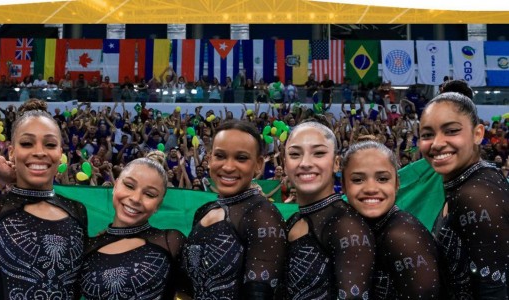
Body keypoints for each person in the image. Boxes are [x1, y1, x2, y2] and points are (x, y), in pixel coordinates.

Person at [0, 99, 87, 299]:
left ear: (60, 153)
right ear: (12, 151)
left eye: (50, 144)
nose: (39, 152)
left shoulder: (77, 211)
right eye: (27, 143)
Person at [418, 92, 509, 298]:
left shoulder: (475, 195)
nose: (437, 143)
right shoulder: (471, 181)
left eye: (451, 131)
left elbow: (495, 290)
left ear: (478, 134)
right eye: (427, 134)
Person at [182, 120, 287, 298]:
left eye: (241, 158)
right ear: (209, 159)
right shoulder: (205, 210)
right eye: (220, 156)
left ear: (258, 164)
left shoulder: (263, 215)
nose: (228, 167)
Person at [282, 121, 375, 299]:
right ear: (285, 164)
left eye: (319, 153)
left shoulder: (347, 226)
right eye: (295, 154)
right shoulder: (296, 219)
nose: (305, 163)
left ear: (336, 163)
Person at [341, 140, 440, 299]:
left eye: (382, 179)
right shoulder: (352, 225)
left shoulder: (403, 237)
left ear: (396, 184)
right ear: (344, 187)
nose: (371, 189)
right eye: (358, 180)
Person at [81, 158, 186, 299]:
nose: (136, 199)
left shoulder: (171, 242)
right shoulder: (87, 247)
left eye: (149, 194)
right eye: (129, 186)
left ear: (158, 204)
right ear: (115, 185)